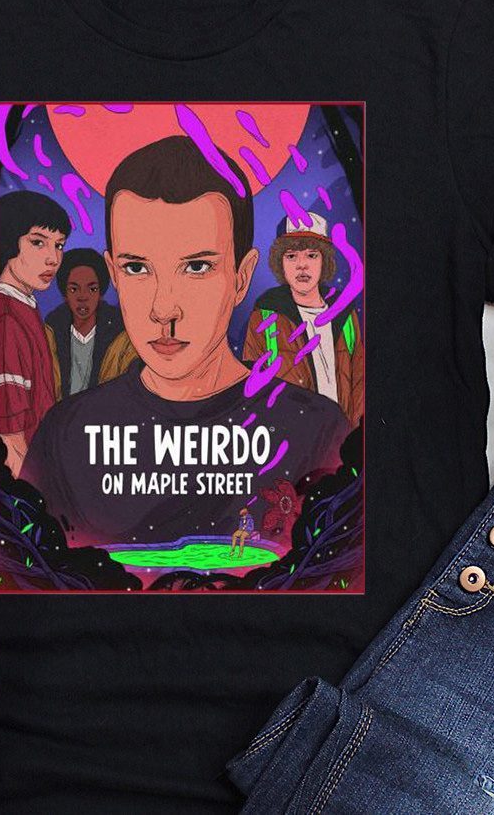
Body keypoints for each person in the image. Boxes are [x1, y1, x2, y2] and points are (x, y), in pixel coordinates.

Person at [20, 135, 351, 549]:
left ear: (242, 277)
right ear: (114, 273)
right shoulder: (65, 434)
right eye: (136, 268)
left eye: (197, 267)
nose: (164, 309)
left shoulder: (317, 432)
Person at [244, 213, 365, 426]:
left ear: (324, 260)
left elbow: (359, 381)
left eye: (312, 255)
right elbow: (252, 387)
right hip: (291, 437)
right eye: (291, 256)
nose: (302, 265)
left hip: (340, 435)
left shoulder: (344, 313)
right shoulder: (266, 314)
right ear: (280, 262)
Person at [0, 191, 69, 478]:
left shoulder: (23, 310)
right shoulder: (5, 319)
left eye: (59, 245)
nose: (53, 259)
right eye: (38, 242)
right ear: (8, 242)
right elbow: (9, 440)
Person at [44, 248, 125, 398]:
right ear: (65, 294)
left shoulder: (120, 334)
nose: (83, 297)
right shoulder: (51, 333)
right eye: (74, 289)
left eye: (92, 289)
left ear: (101, 293)